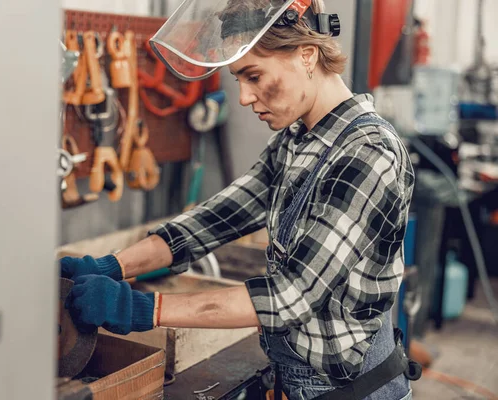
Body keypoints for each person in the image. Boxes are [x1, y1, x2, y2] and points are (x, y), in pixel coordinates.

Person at [60, 1, 420, 399]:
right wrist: (114, 265)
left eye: (254, 75)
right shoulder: (296, 140)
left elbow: (289, 296)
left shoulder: (368, 153)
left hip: (354, 389)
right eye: (239, 79)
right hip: (300, 380)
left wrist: (143, 309)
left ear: (306, 55)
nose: (245, 97)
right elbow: (215, 220)